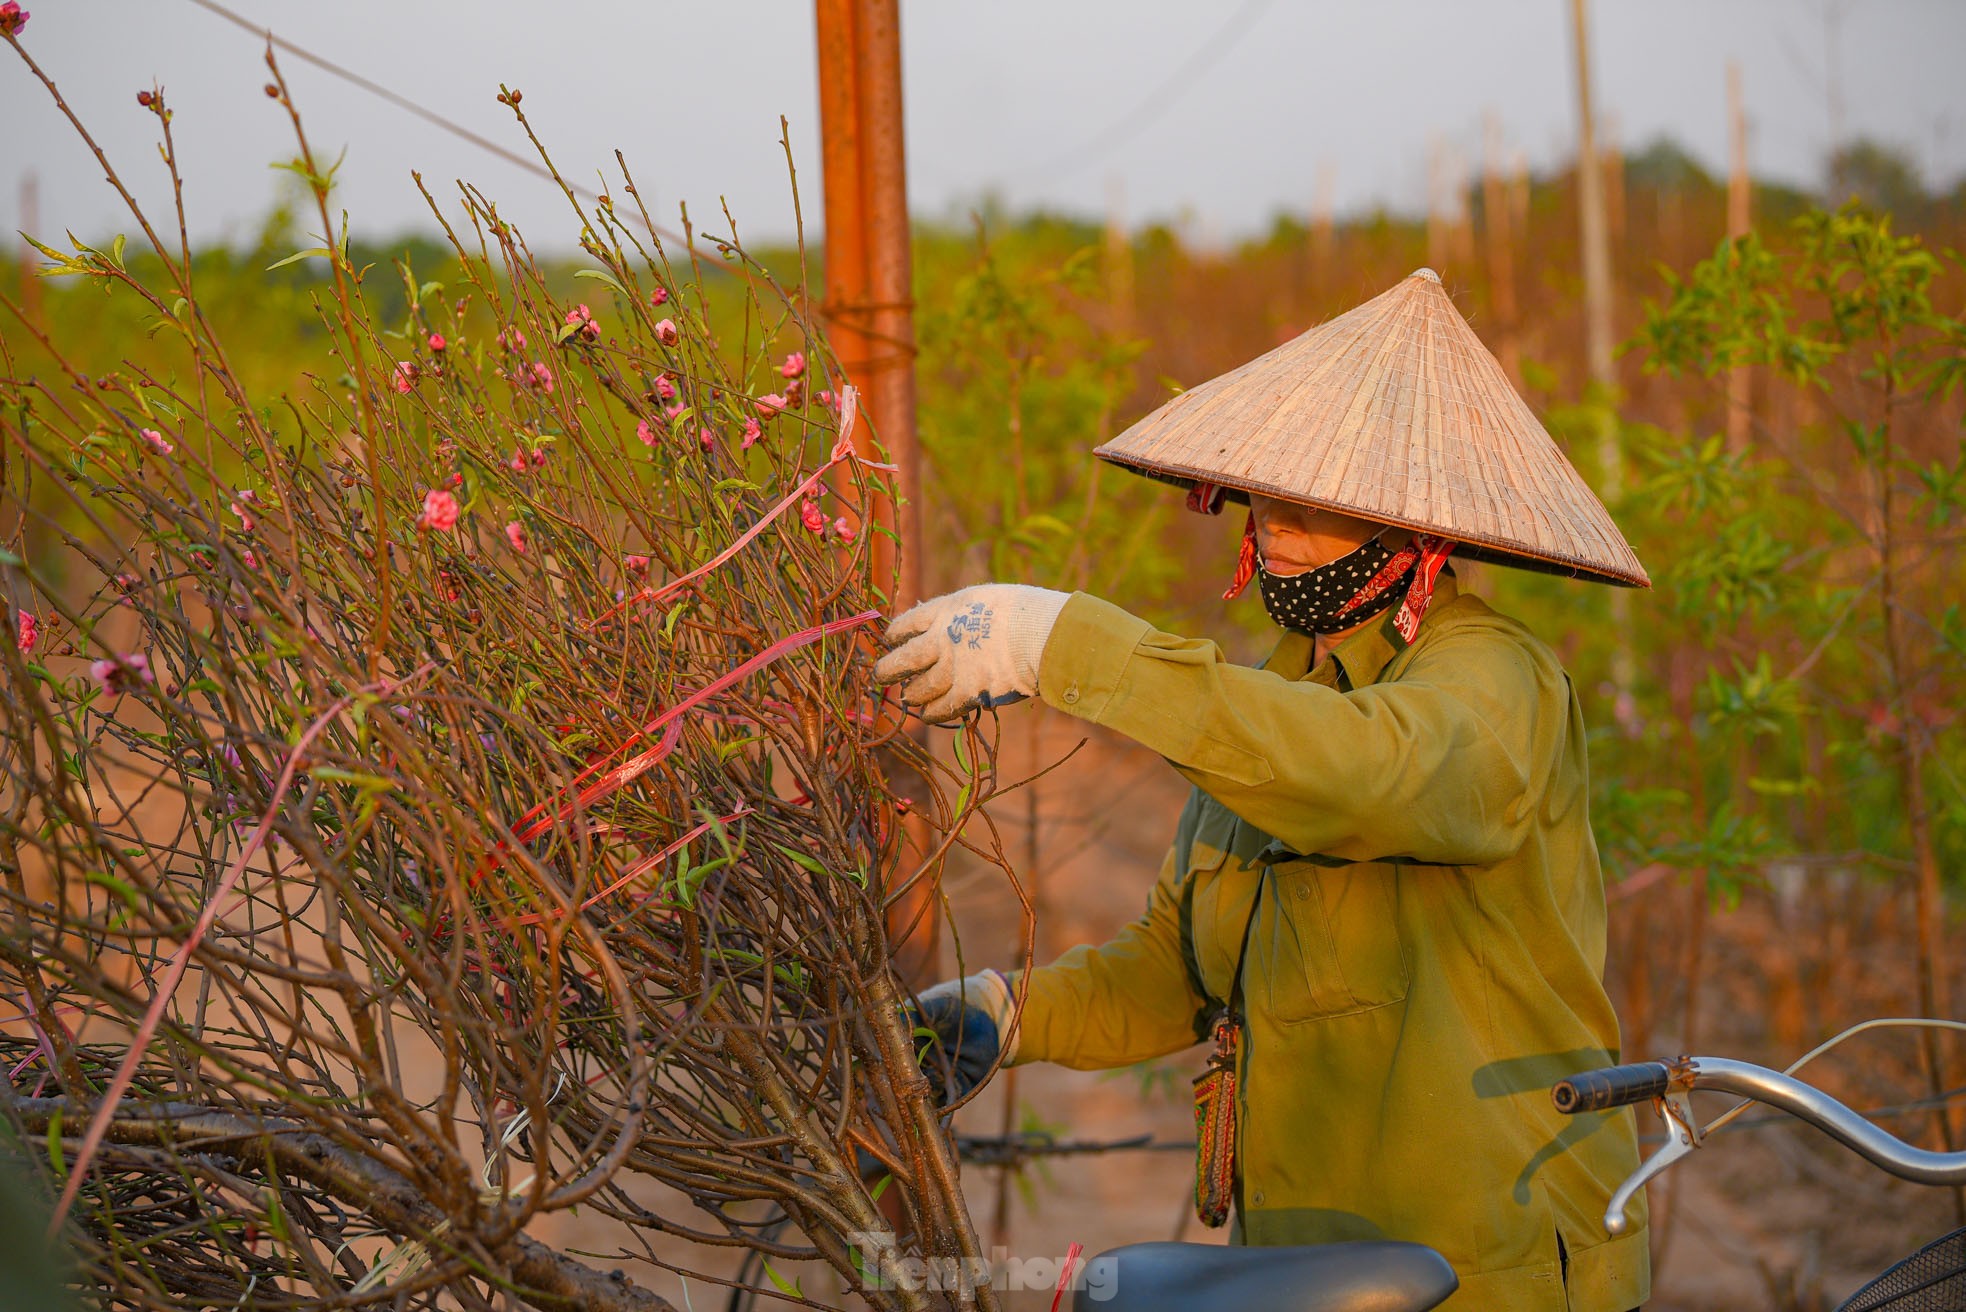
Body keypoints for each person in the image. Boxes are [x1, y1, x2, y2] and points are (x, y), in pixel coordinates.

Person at [875, 270, 1652, 1311]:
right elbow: (1178, 970)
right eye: (1264, 490)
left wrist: (1074, 645)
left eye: (1321, 501)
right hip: (1299, 1265)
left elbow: (1370, 774)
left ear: (1414, 530)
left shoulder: (1494, 680)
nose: (1275, 519)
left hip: (1491, 1267)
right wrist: (1005, 1015)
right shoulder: (1277, 699)